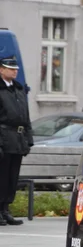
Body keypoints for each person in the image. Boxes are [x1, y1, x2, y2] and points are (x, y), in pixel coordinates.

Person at [0, 56, 34, 226]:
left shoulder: (18, 90)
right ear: (1, 70)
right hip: (4, 138)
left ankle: (5, 209)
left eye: (16, 69)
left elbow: (25, 117)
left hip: (17, 140)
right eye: (10, 68)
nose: (14, 71)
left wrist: (28, 140)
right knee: (2, 176)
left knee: (12, 177)